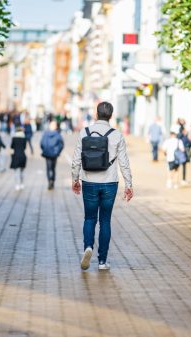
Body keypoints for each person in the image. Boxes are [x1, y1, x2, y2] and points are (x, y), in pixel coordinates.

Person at [71, 102, 133, 271]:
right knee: (105, 220)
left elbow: (76, 159)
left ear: (96, 114)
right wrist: (129, 184)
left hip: (89, 181)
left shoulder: (85, 132)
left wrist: (75, 179)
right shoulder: (117, 135)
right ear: (111, 116)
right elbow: (124, 163)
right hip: (109, 183)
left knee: (89, 218)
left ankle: (88, 247)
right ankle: (102, 261)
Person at [40, 121, 64, 190]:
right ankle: (52, 181)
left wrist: (44, 149)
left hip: (47, 153)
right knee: (53, 168)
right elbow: (61, 144)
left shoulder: (45, 134)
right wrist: (57, 151)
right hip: (54, 154)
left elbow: (42, 143)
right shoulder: (58, 134)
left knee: (48, 168)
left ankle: (49, 181)